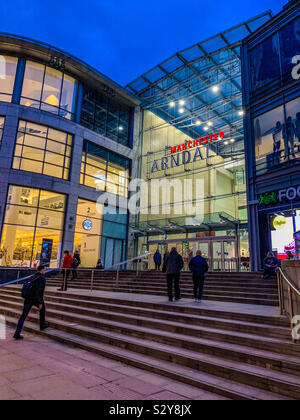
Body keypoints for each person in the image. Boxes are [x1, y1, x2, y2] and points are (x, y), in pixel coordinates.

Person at [14, 265, 49, 340]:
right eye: (44, 270)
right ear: (41, 270)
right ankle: (42, 325)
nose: (44, 271)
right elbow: (40, 291)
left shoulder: (32, 277)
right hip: (35, 299)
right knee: (42, 308)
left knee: (23, 316)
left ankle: (17, 333)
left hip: (28, 298)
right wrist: (40, 302)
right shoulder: (42, 278)